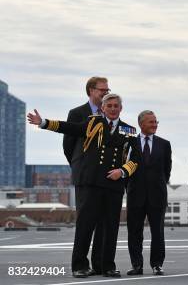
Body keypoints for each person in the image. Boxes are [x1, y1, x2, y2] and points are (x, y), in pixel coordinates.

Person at [27, 93, 140, 278]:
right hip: (91, 182)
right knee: (85, 225)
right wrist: (44, 122)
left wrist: (123, 171)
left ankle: (107, 266)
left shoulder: (129, 130)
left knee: (111, 227)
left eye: (116, 106)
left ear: (121, 108)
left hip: (114, 185)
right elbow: (70, 128)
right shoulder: (92, 123)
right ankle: (79, 265)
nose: (112, 109)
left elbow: (136, 159)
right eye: (109, 105)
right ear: (102, 108)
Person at [63, 76, 109, 275]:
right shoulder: (77, 113)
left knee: (103, 223)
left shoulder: (109, 114)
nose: (106, 93)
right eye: (102, 90)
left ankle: (99, 265)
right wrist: (79, 165)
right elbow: (68, 146)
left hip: (106, 178)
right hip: (85, 177)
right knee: (85, 222)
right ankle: (80, 265)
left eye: (108, 90)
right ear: (91, 90)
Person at [126, 110, 172, 276]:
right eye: (151, 122)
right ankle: (137, 265)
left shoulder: (164, 144)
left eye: (156, 122)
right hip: (135, 194)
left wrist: (157, 185)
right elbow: (126, 166)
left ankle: (157, 264)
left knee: (158, 233)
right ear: (141, 124)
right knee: (134, 232)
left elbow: (167, 171)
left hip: (157, 195)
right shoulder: (130, 142)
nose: (155, 125)